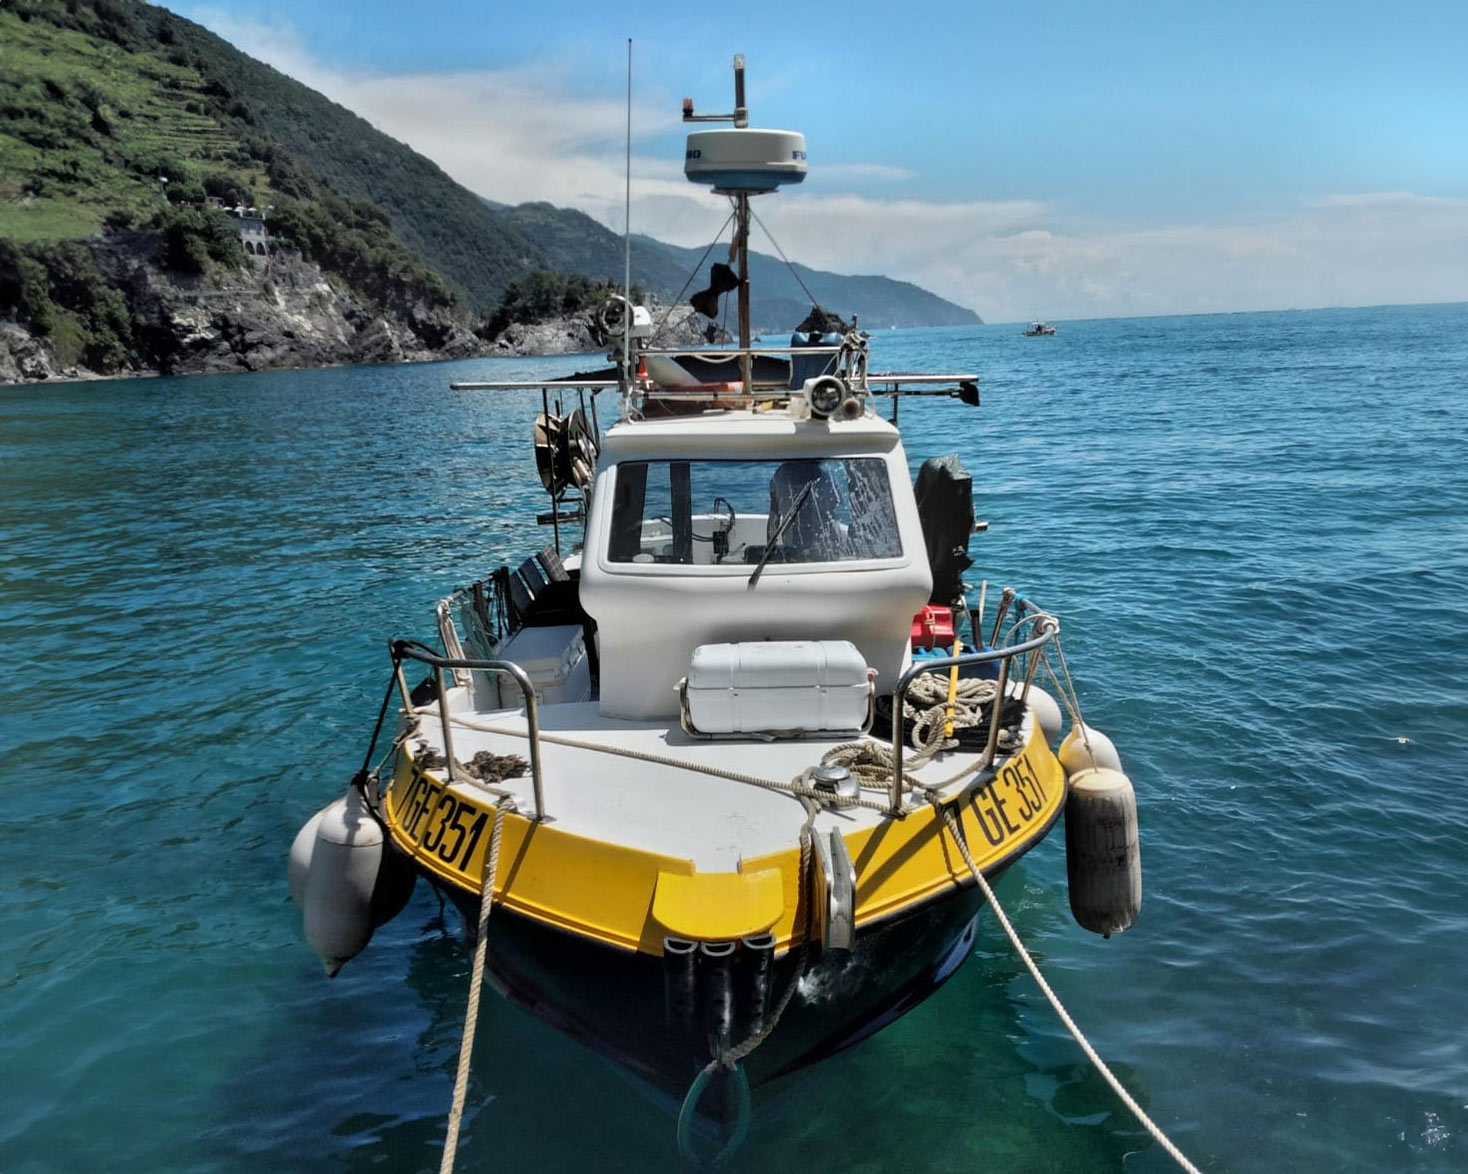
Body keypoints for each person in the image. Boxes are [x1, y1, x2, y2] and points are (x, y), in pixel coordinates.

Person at [767, 461, 846, 561]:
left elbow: (774, 516)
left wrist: (770, 553)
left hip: (816, 550)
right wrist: (770, 553)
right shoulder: (780, 476)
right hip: (794, 550)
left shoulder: (780, 475)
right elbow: (774, 516)